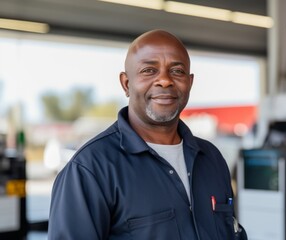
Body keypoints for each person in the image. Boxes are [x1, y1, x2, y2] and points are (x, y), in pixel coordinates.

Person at [48, 29, 247, 240]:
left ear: (189, 82)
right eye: (149, 70)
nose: (164, 80)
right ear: (126, 84)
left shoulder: (211, 159)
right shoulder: (90, 169)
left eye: (177, 71)